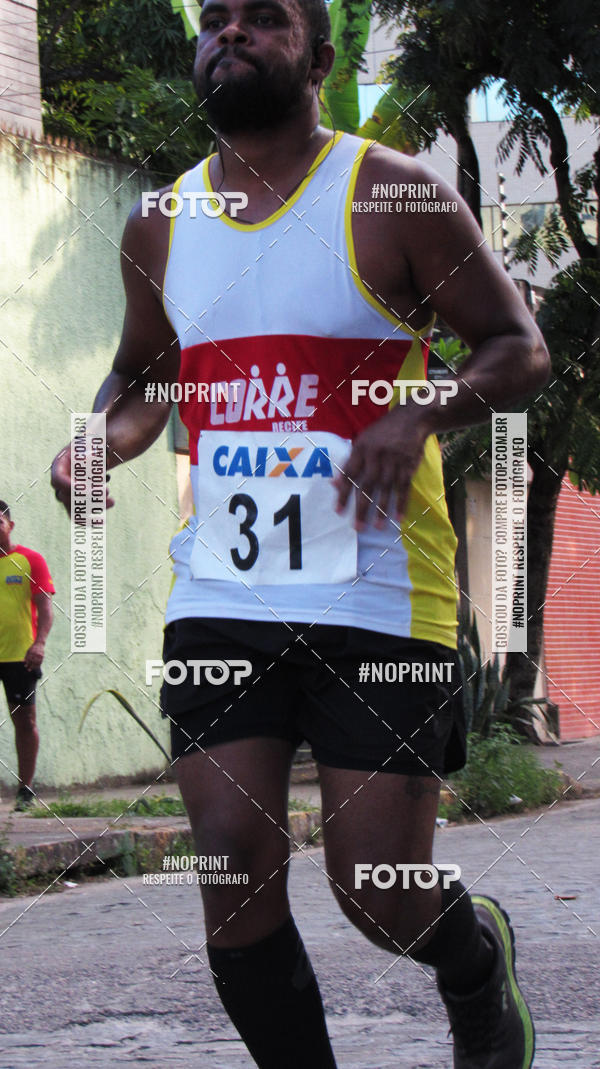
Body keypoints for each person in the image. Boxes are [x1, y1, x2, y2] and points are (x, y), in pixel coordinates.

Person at [51, 1, 549, 1065]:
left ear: (318, 56)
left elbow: (518, 348)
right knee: (232, 876)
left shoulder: (395, 192)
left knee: (377, 884)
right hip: (224, 594)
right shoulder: (159, 219)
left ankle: (474, 960)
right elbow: (144, 377)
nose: (231, 34)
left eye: (263, 20)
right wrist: (99, 441)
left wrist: (421, 411)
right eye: (215, 21)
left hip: (379, 588)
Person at [0, 500, 55, 810]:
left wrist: (40, 644)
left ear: (10, 525)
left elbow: (46, 608)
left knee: (24, 721)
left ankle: (25, 791)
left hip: (20, 658)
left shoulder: (30, 560)